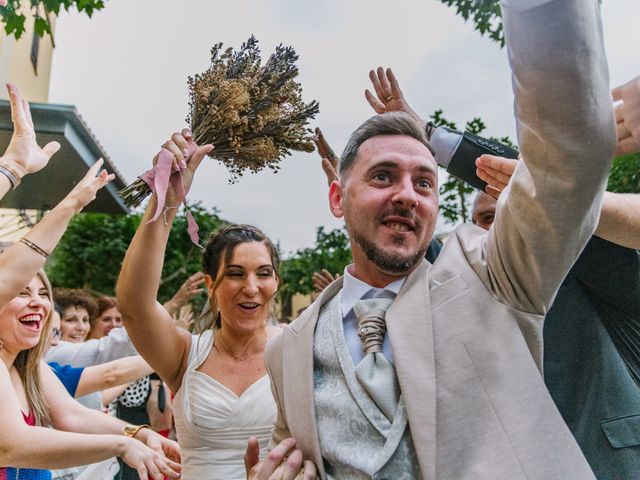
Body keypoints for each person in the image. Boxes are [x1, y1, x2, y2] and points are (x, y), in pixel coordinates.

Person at [247, 0, 615, 478]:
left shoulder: (495, 275)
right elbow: (291, 454)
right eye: (383, 176)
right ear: (337, 198)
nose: (407, 195)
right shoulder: (286, 350)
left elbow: (566, 159)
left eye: (424, 183)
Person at [0, 84, 180, 480]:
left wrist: (140, 434)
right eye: (20, 292)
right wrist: (12, 170)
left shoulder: (27, 367)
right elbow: (13, 444)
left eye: (42, 293)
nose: (37, 303)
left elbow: (73, 417)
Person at [115, 133, 302, 479]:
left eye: (263, 273)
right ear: (210, 285)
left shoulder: (297, 348)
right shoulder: (186, 354)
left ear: (276, 283)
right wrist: (166, 200)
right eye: (234, 274)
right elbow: (134, 307)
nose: (251, 288)